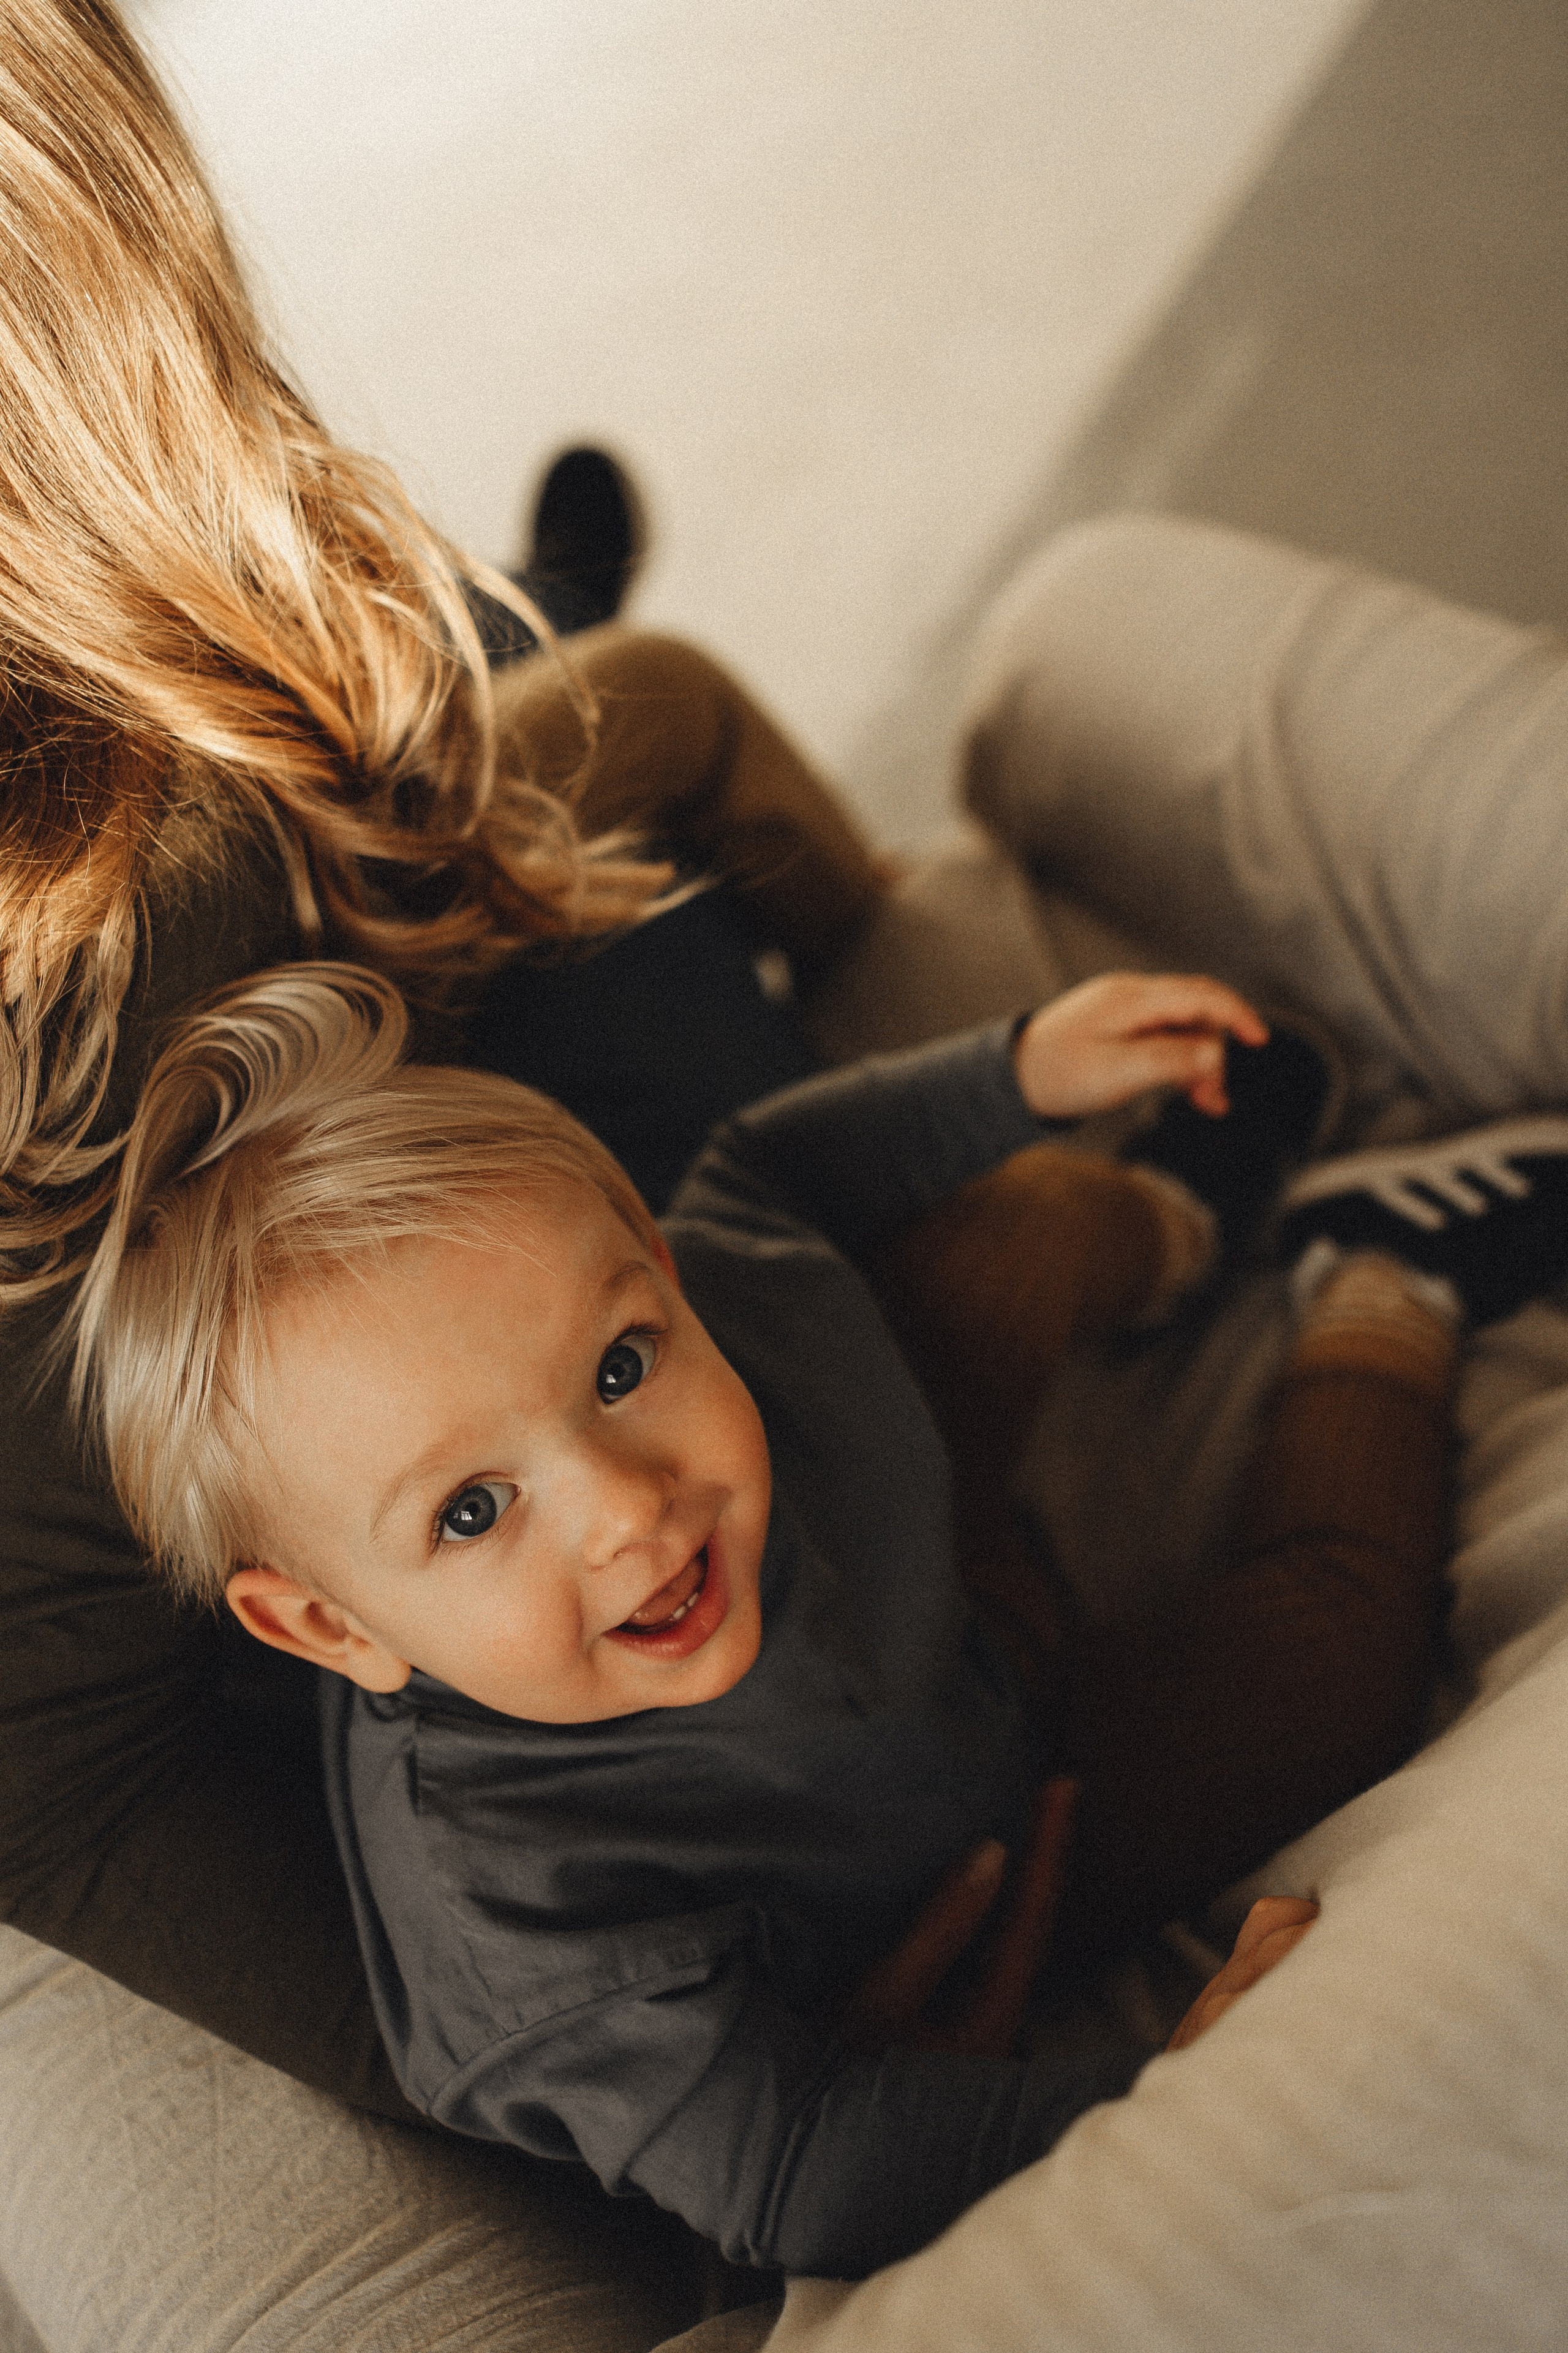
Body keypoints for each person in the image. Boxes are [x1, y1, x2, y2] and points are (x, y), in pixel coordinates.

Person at [72, 959, 1568, 2278]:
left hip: (907, 1552)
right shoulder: (526, 1932)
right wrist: (1164, 2087)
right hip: (990, 1839)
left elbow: (768, 1168)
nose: (627, 1508)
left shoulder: (715, 1300)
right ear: (330, 1629)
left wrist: (1015, 1071)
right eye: (471, 1510)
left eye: (618, 1367)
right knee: (1334, 1655)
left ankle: (1179, 1218)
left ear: (657, 1277)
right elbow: (798, 2168)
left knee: (1017, 1226)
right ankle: (1386, 1283)